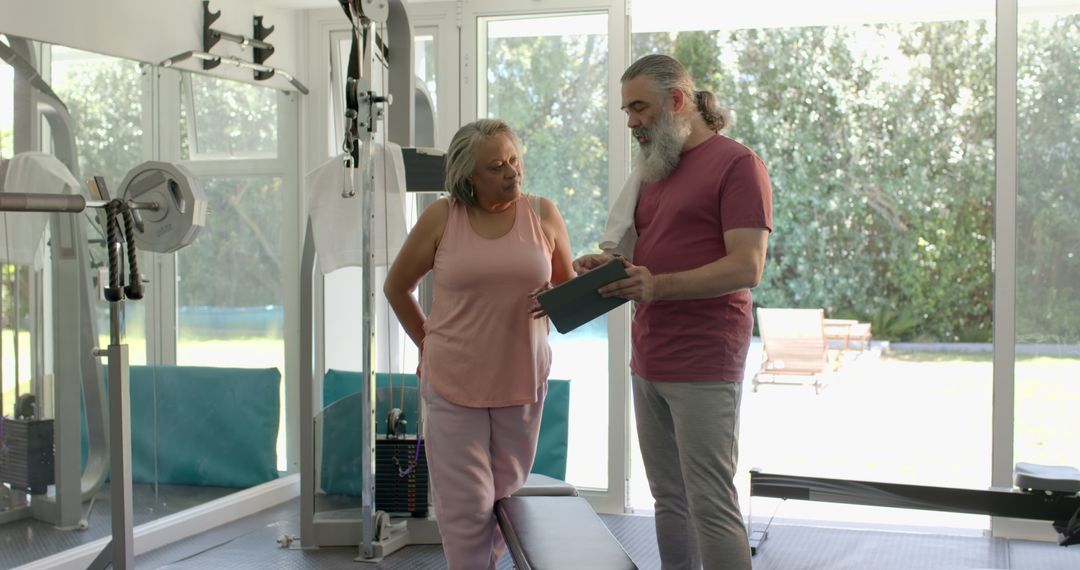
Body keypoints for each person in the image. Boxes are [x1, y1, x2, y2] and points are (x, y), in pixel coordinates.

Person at [574, 54, 773, 570]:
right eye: (627, 110)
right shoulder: (655, 167)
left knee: (710, 502)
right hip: (649, 358)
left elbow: (747, 266)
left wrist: (657, 285)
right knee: (668, 497)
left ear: (678, 100)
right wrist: (610, 267)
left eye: (639, 107)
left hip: (705, 362)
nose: (631, 121)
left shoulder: (738, 165)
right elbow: (654, 253)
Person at [383, 118, 575, 569]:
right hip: (453, 381)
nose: (511, 172)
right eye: (496, 166)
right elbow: (397, 287)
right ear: (469, 175)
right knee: (466, 508)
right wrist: (427, 342)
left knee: (503, 499)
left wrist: (586, 278)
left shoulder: (543, 214)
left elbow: (568, 293)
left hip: (521, 380)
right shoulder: (442, 217)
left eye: (514, 160)